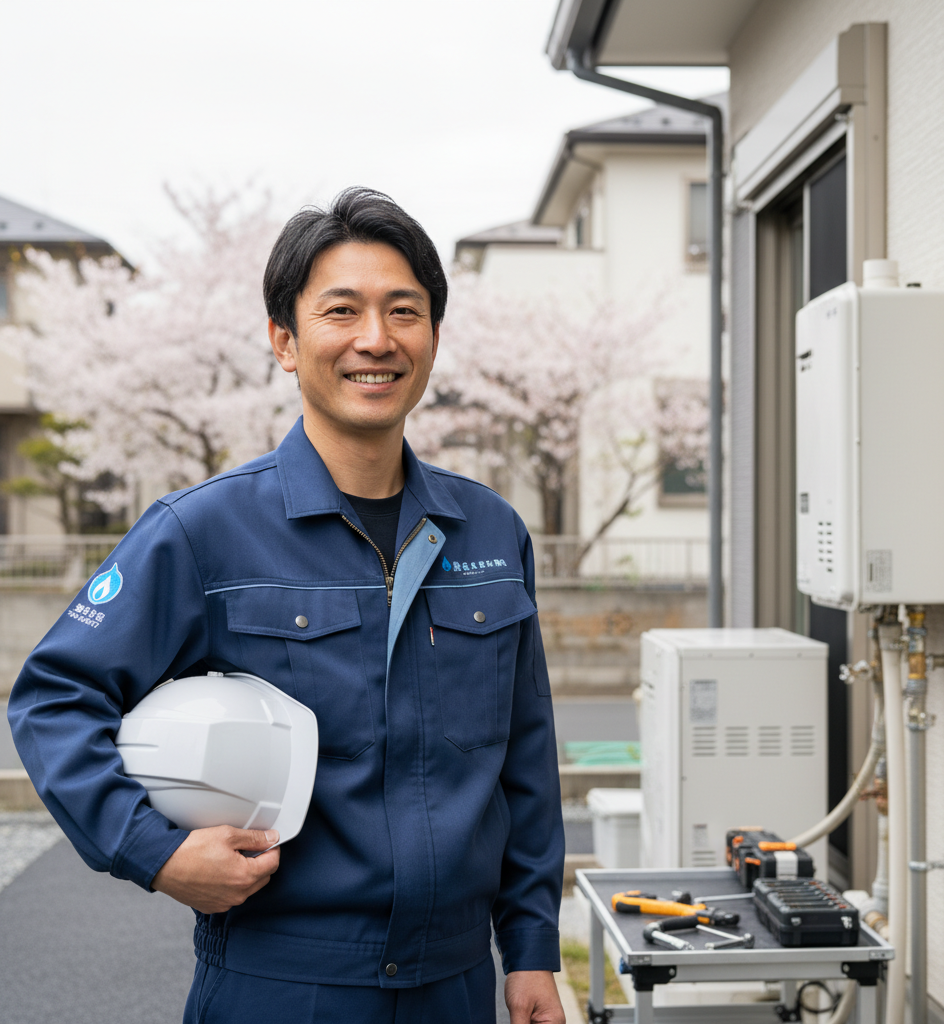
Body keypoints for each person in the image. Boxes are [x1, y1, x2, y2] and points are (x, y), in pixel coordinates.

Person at [8, 188, 566, 1024]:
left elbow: (525, 759)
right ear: (285, 342)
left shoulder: (489, 529)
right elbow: (55, 698)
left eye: (403, 311)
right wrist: (156, 853)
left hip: (455, 983)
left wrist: (529, 951)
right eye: (341, 311)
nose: (375, 340)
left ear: (434, 338)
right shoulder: (202, 531)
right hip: (281, 982)